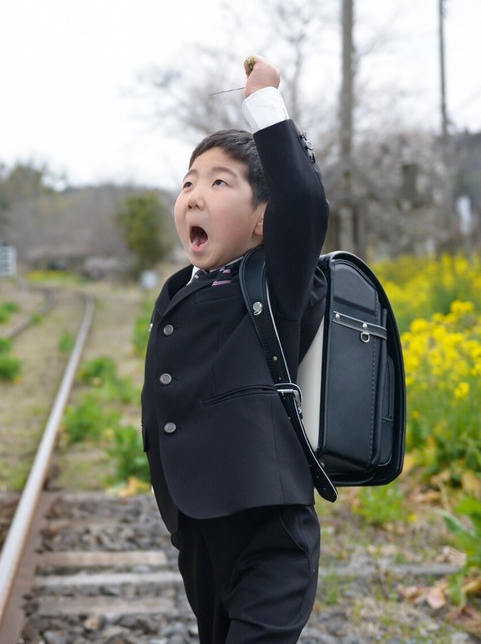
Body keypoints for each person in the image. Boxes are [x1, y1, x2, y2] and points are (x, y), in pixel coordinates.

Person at [140, 54, 329, 643]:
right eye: (189, 182)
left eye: (220, 182)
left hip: (265, 524)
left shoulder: (275, 282)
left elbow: (302, 200)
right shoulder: (182, 289)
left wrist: (264, 103)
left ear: (263, 220)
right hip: (198, 528)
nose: (195, 194)